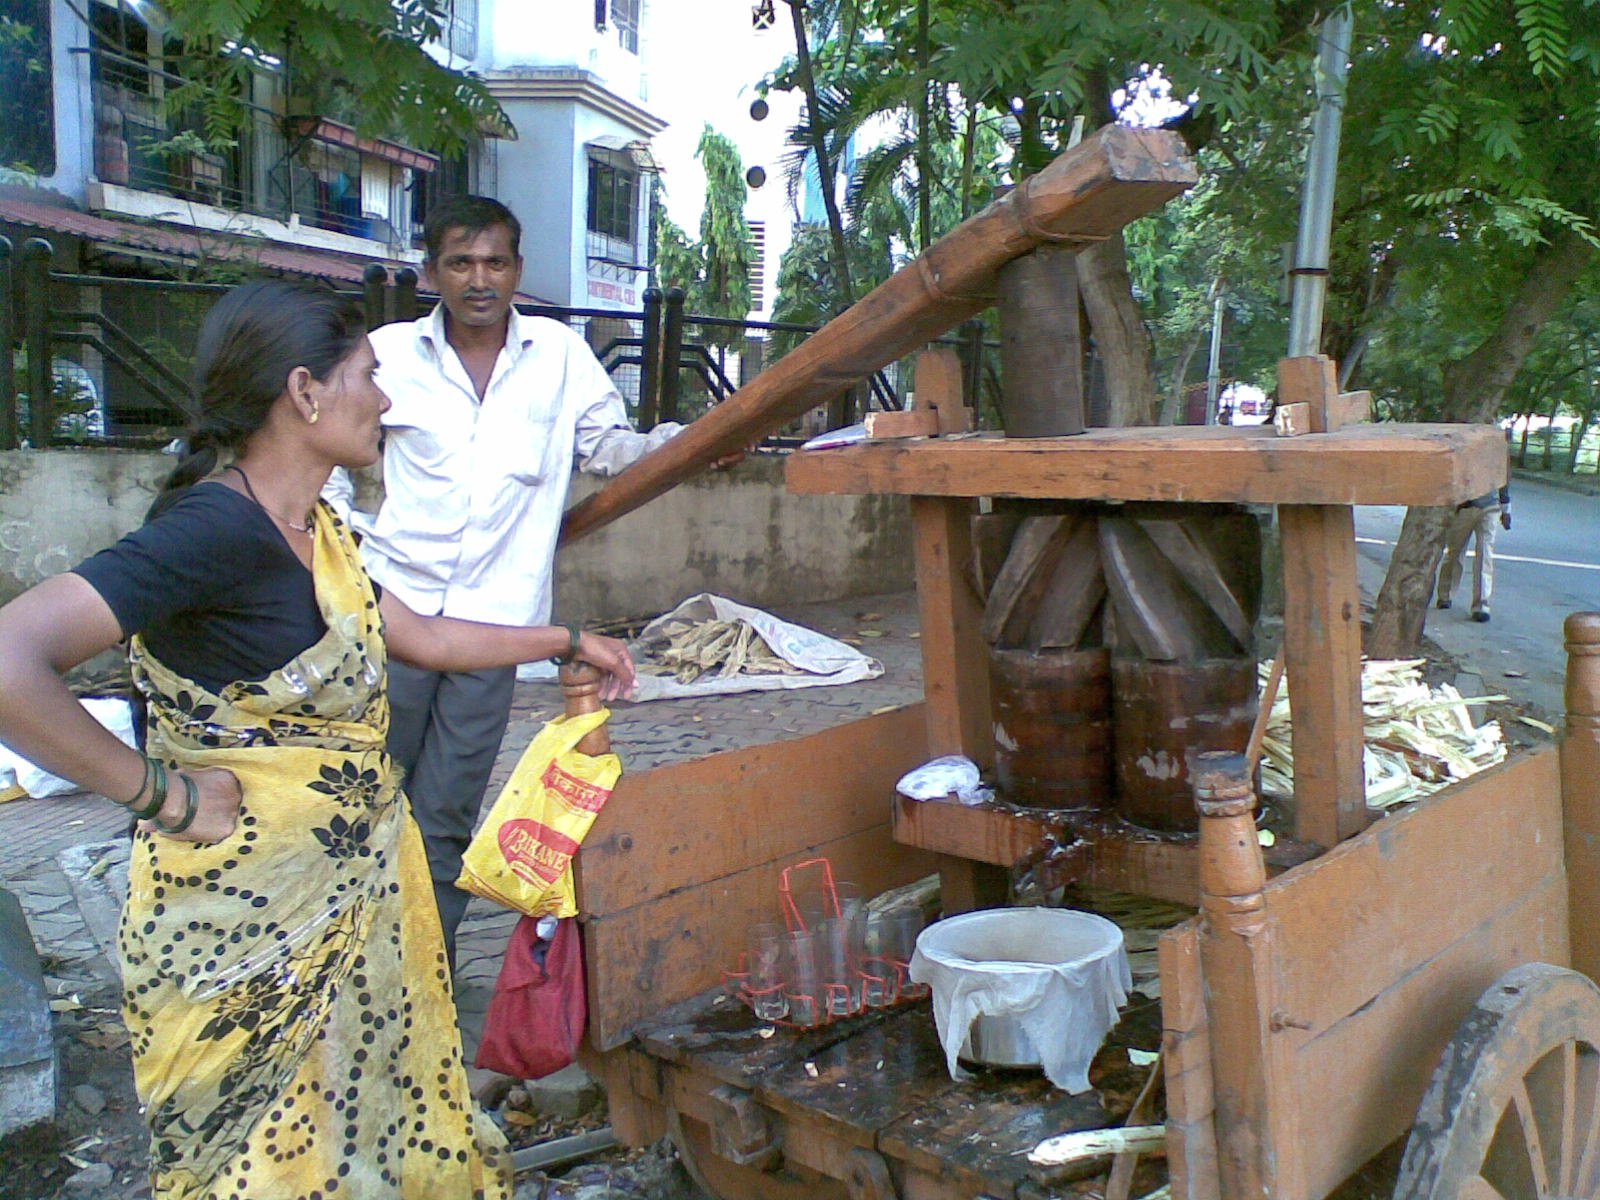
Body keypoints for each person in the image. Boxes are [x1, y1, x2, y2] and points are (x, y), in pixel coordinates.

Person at [0, 281, 636, 1199]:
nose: (385, 398)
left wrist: (566, 639)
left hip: (346, 913)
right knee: (264, 1171)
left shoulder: (316, 531)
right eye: (367, 376)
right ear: (304, 392)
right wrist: (162, 795)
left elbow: (427, 637)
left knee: (356, 1150)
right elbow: (11, 660)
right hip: (243, 939)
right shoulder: (212, 530)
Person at [325, 195, 712, 966]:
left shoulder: (561, 356)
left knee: (443, 815)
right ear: (431, 271)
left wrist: (692, 444)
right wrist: (347, 549)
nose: (479, 280)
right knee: (363, 803)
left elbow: (608, 448)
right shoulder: (389, 354)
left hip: (495, 630)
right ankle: (346, 971)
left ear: (517, 270)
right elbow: (327, 450)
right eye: (461, 263)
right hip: (392, 613)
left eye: (494, 262)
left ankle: (422, 978)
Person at [1436, 481, 1511, 623]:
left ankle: (1481, 604)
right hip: (1464, 506)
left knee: (1484, 554)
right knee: (1455, 551)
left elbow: (1504, 476)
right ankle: (1446, 594)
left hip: (1490, 507)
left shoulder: (1496, 464)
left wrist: (1506, 507)